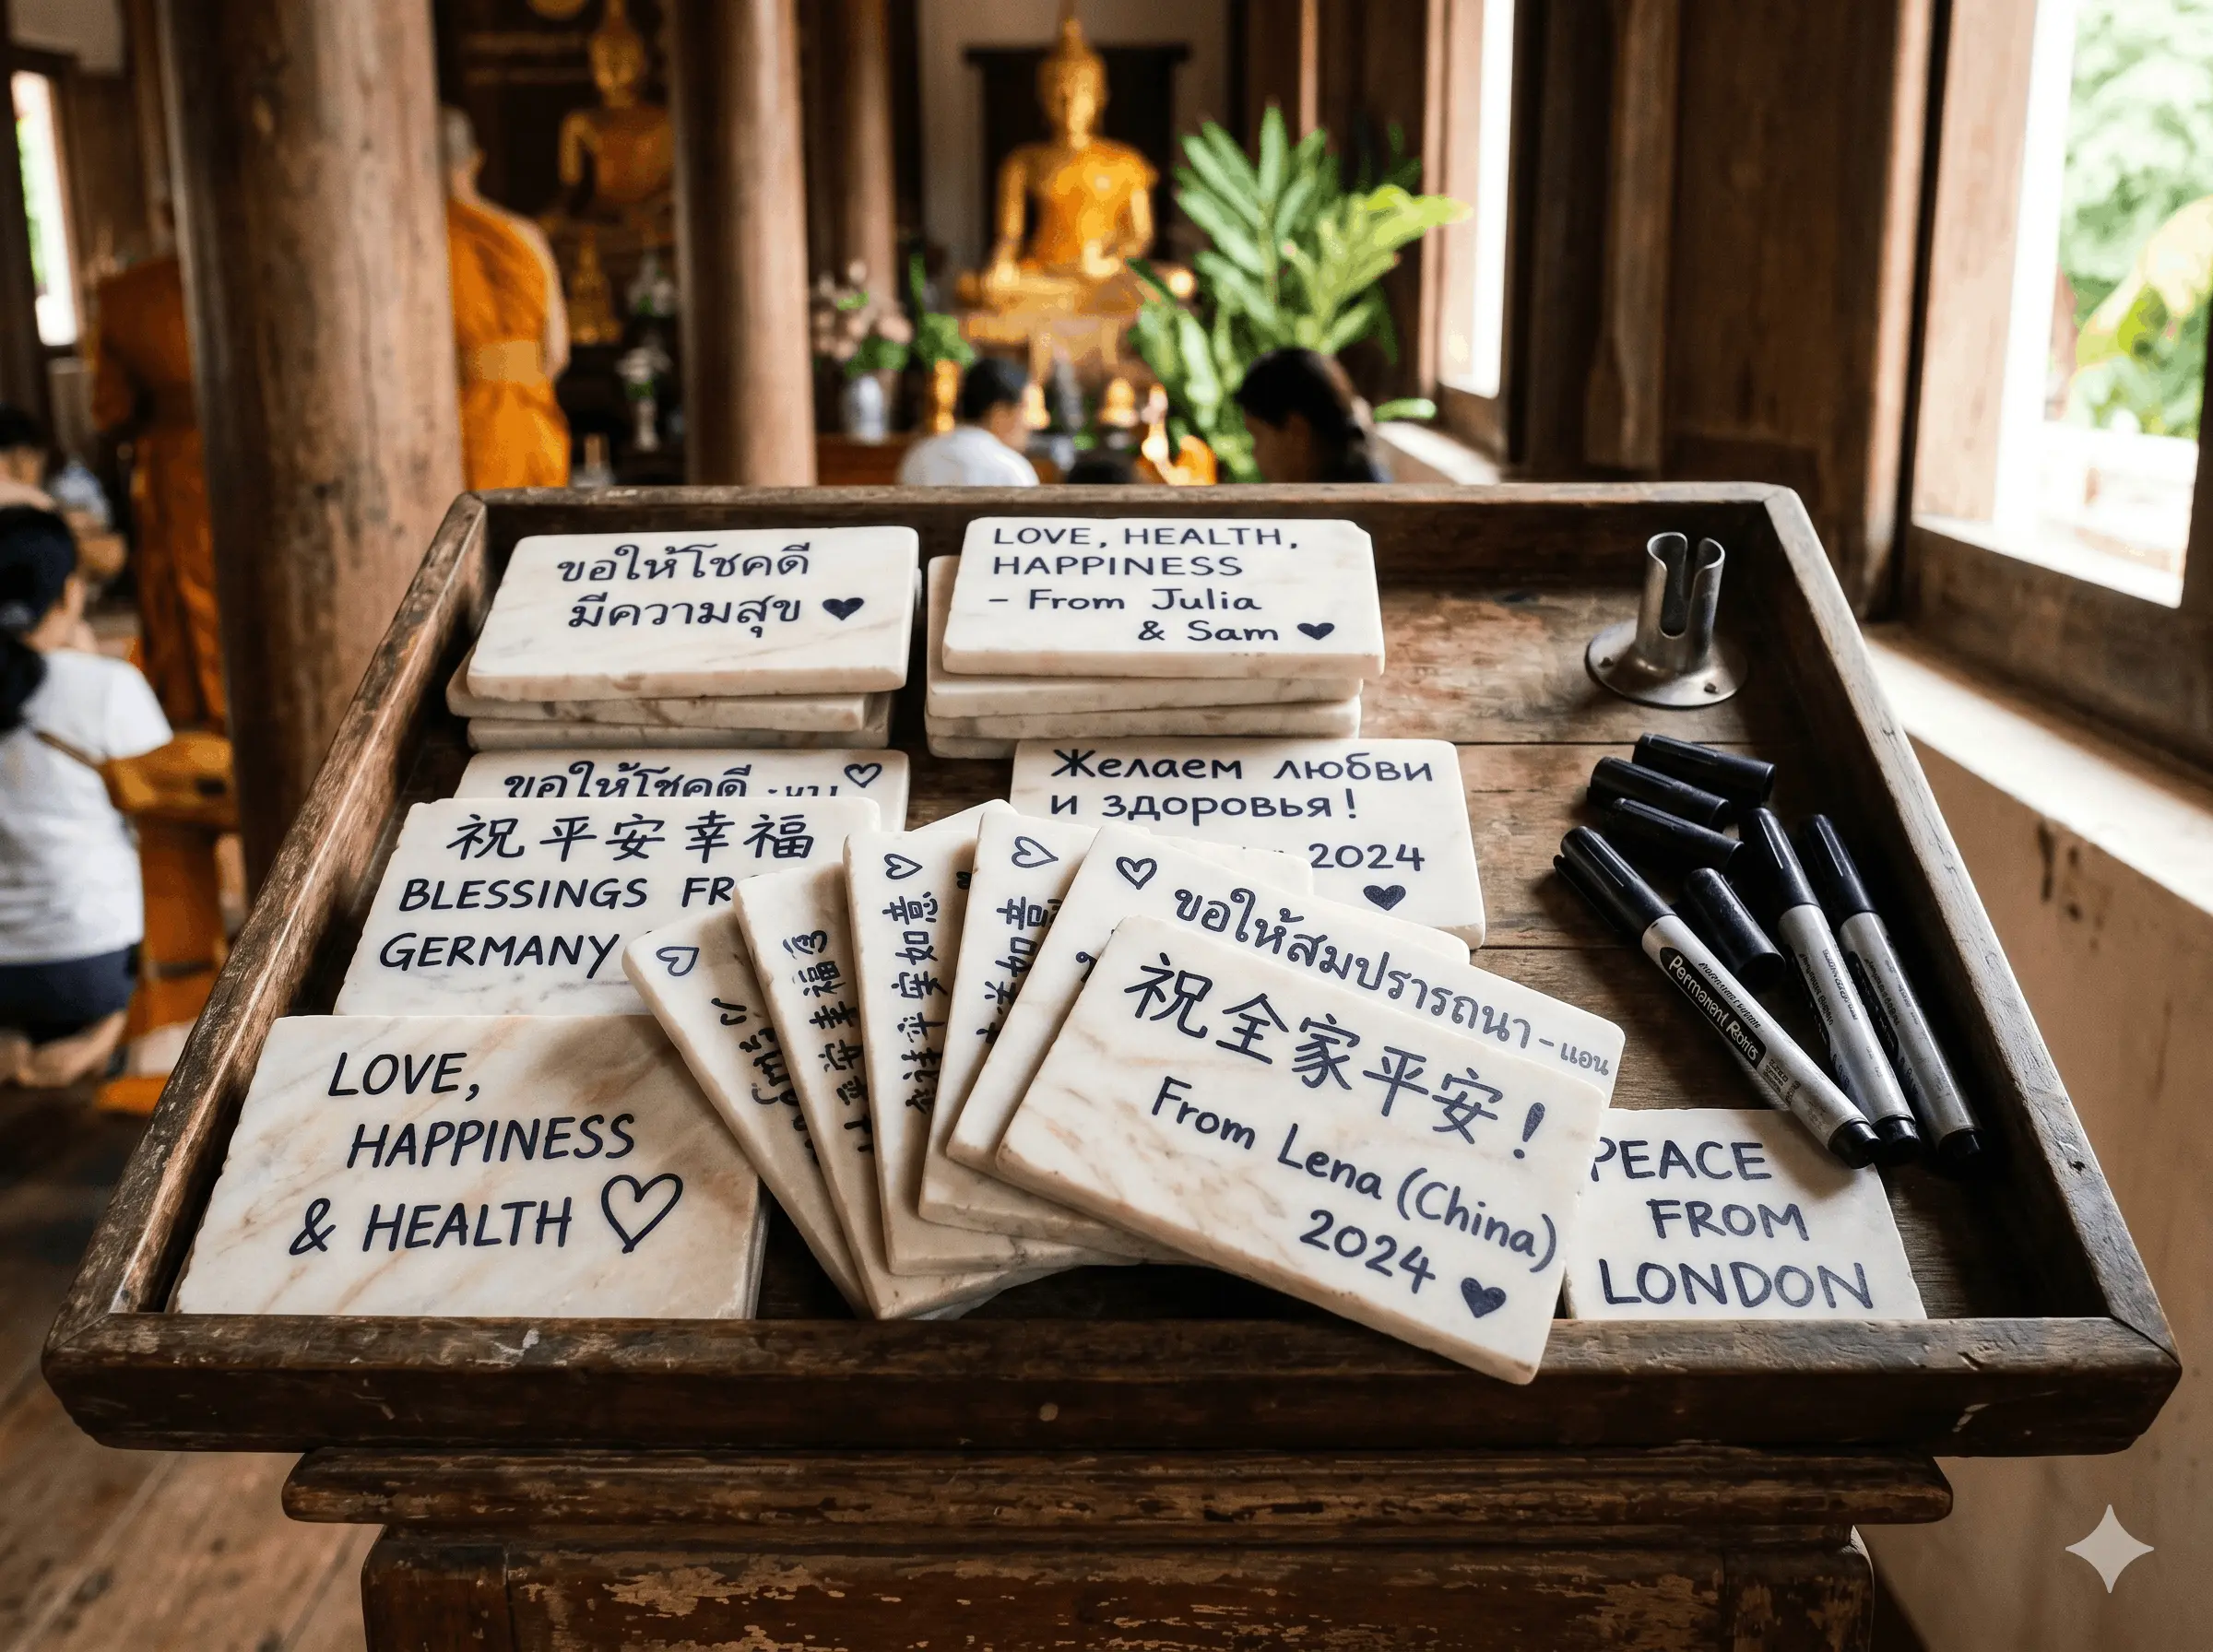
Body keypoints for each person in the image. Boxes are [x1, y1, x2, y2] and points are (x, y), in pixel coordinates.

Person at [0, 508, 172, 1087]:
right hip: (86, 969)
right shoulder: (106, 687)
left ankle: (20, 1042)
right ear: (70, 594)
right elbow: (163, 801)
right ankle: (104, 1043)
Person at [444, 107, 573, 490]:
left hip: (463, 431)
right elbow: (558, 351)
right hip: (533, 422)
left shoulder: (422, 244)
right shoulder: (526, 234)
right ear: (476, 159)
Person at [1233, 348, 1391, 483]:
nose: (1255, 454)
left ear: (1296, 432)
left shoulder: (1332, 507)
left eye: (1257, 436)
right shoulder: (1370, 486)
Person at [896, 359, 1040, 486]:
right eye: (1026, 409)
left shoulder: (918, 456)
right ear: (999, 414)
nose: (1032, 423)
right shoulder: (1012, 471)